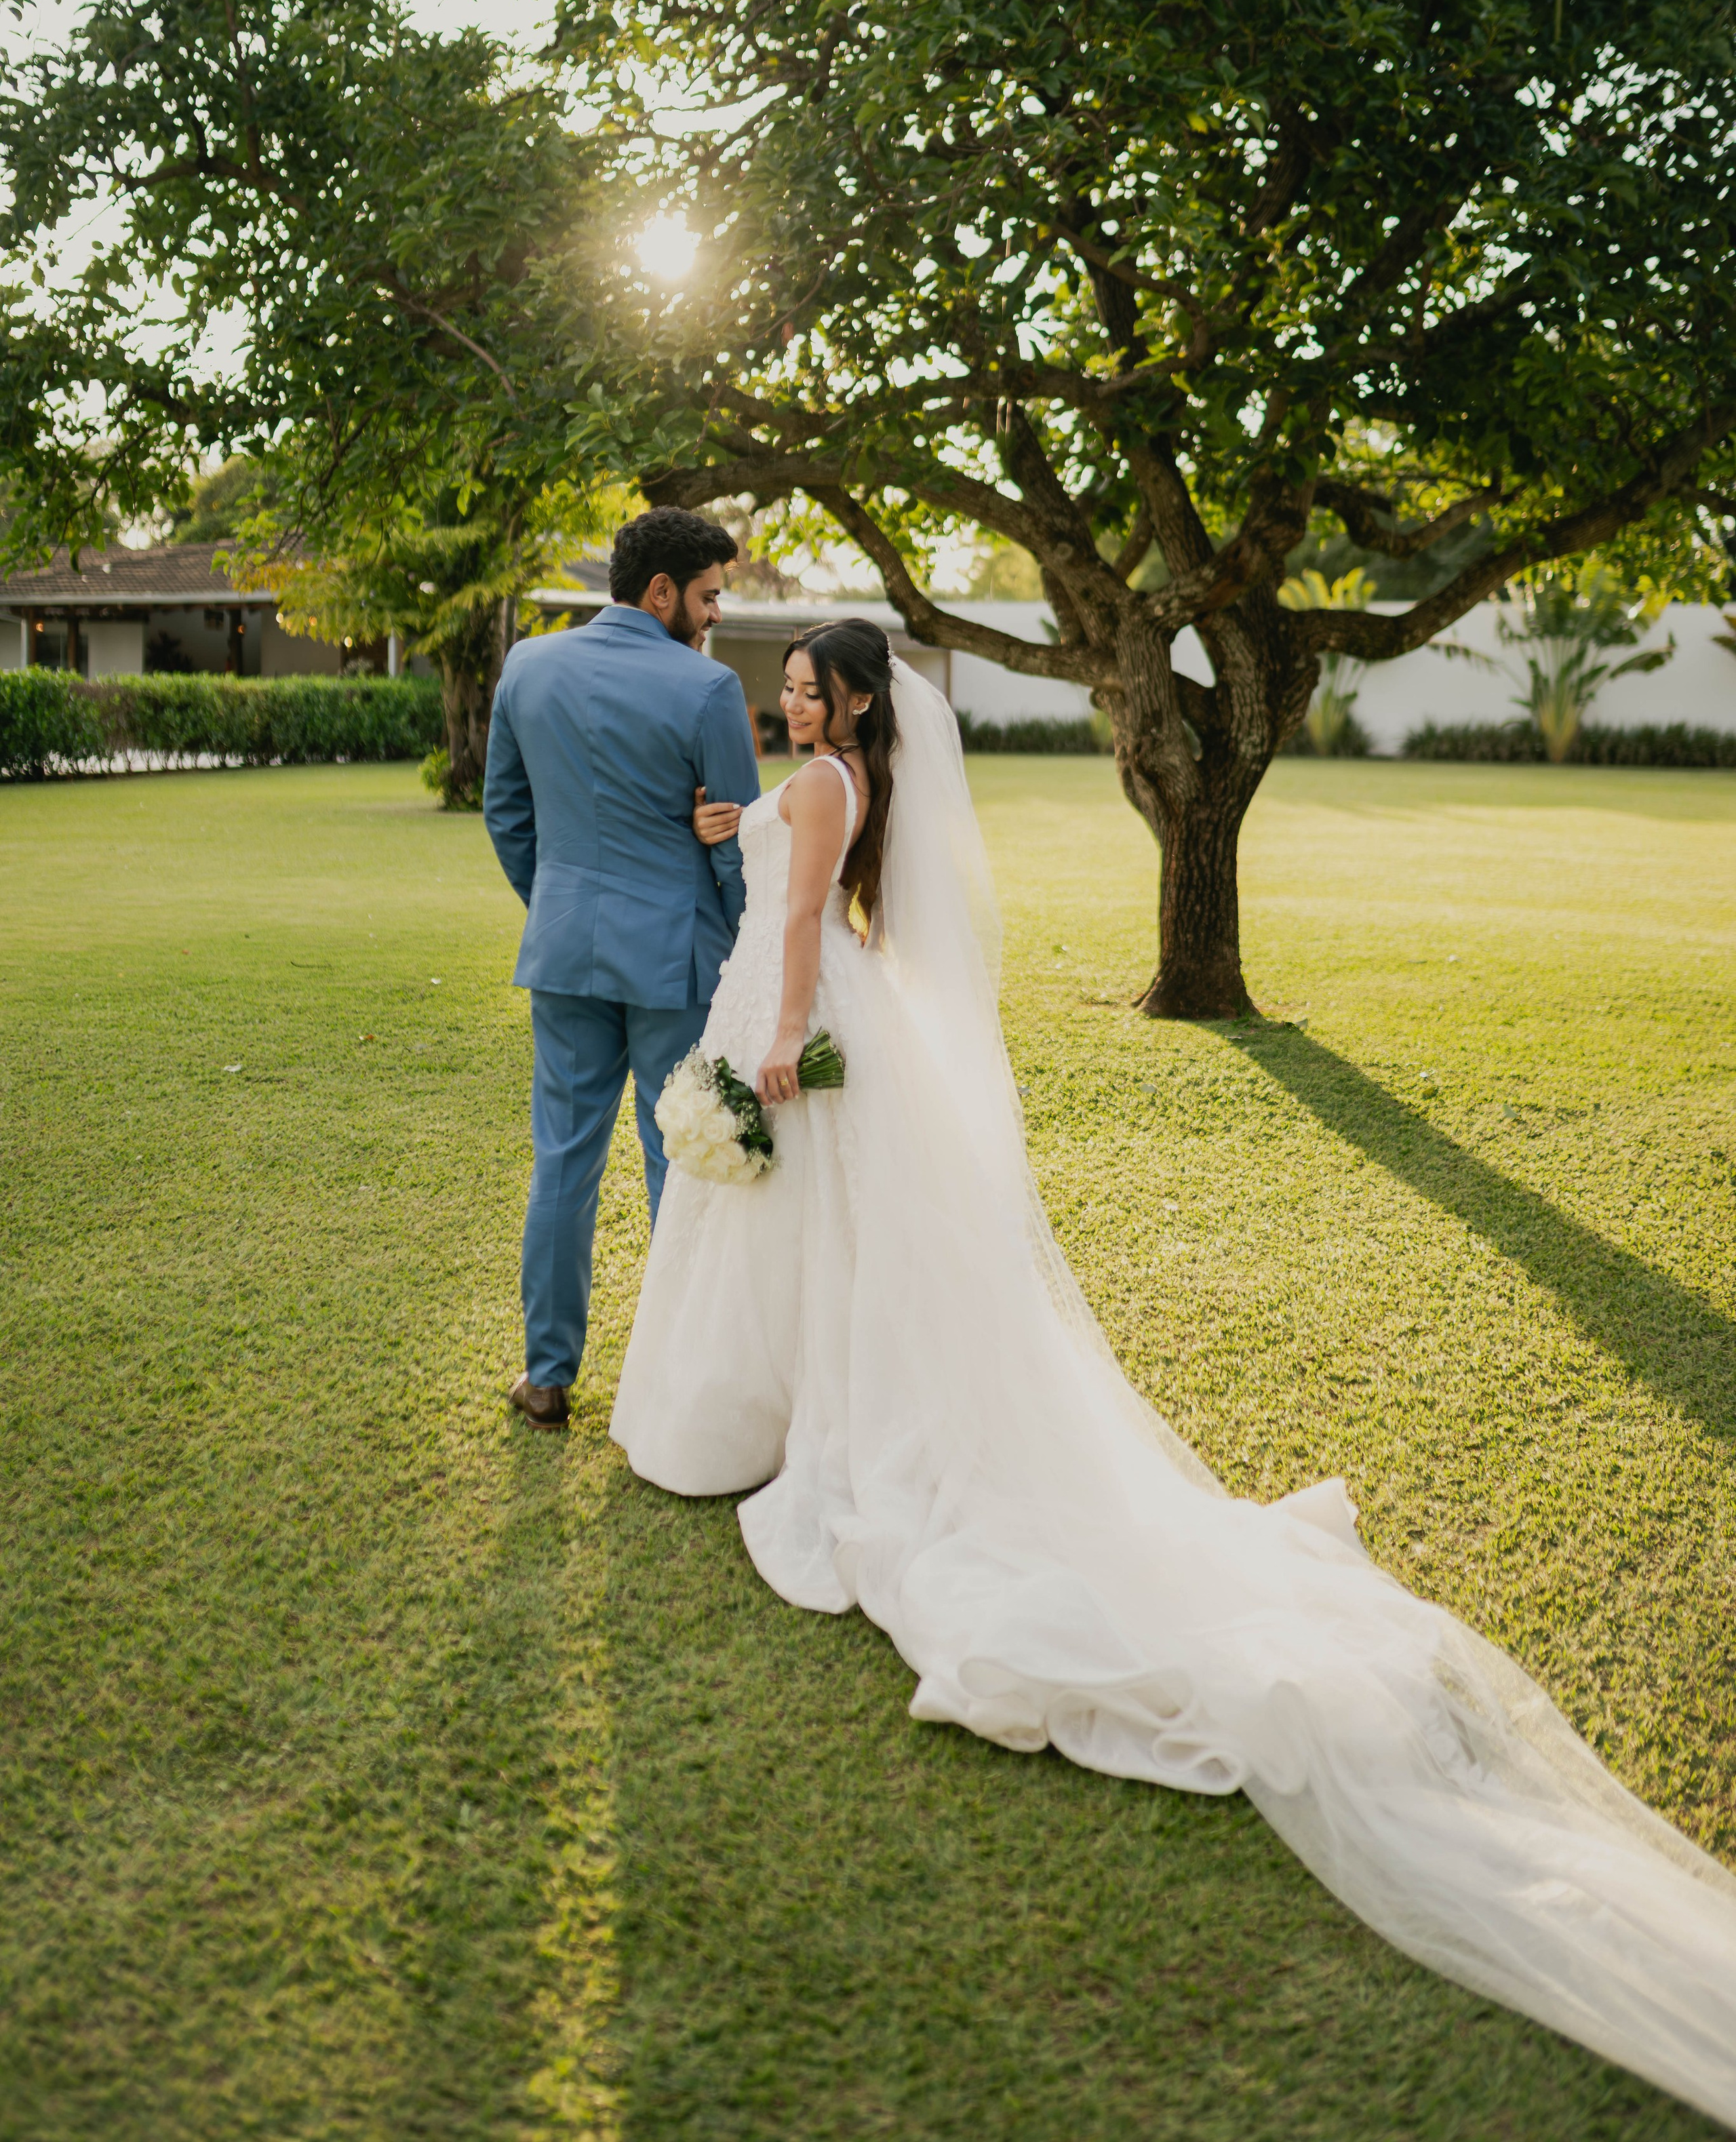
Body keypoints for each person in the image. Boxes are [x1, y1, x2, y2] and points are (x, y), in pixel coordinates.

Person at [612, 622, 1736, 2128]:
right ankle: (777, 1402)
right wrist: (732, 822)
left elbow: (804, 907)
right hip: (795, 1002)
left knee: (798, 1240)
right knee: (812, 1250)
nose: (788, 698)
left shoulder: (818, 786)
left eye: (808, 686)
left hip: (788, 1016)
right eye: (792, 687)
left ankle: (775, 1420)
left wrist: (775, 1035)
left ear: (854, 700)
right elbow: (788, 845)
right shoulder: (819, 775)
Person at [483, 507, 760, 1433]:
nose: (716, 614)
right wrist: (737, 944)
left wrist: (558, 903)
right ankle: (680, 1377)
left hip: (563, 952)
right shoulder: (709, 690)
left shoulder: (527, 666)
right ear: (662, 592)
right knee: (675, 1159)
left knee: (563, 1160)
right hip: (675, 959)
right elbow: (738, 845)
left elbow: (507, 815)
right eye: (711, 596)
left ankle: (548, 1376)